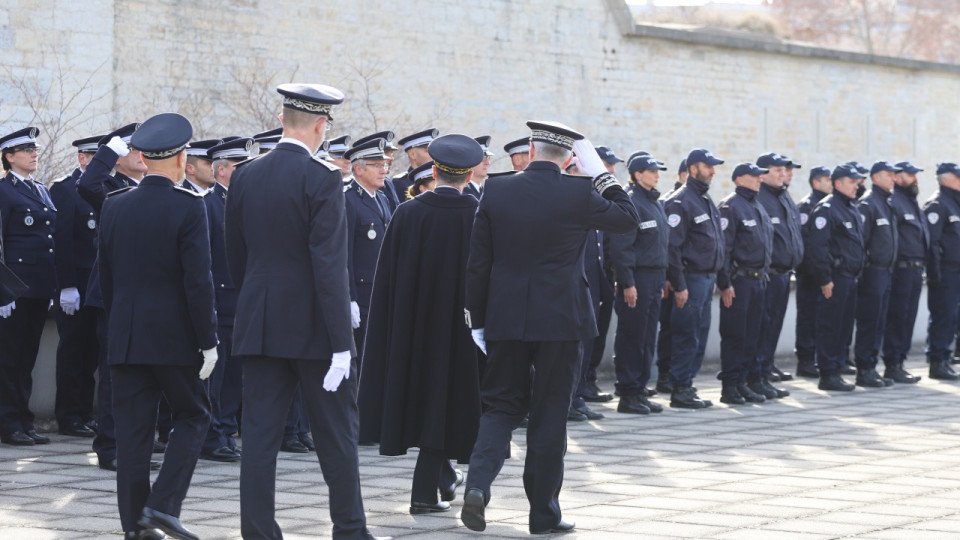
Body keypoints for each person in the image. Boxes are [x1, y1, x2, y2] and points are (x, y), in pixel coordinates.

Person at [460, 120, 638, 535]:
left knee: (501, 406)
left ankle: (478, 486)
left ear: (534, 149)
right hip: (561, 320)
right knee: (549, 414)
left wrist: (477, 319)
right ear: (570, 157)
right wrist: (601, 175)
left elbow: (478, 262)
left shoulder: (498, 188)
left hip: (506, 317)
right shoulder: (580, 193)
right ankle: (543, 514)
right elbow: (628, 219)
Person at [225, 83, 378, 540]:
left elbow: (237, 255)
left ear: (280, 118)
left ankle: (258, 531)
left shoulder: (246, 174)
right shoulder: (323, 177)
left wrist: (257, 299)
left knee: (258, 439)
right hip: (313, 329)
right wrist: (341, 345)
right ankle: (349, 529)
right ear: (319, 125)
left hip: (260, 320)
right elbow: (329, 266)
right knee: (336, 435)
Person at [99, 112, 218, 540]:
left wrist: (119, 331)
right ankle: (164, 506)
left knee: (132, 438)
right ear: (183, 158)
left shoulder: (115, 206)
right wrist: (208, 342)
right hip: (174, 340)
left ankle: (136, 527)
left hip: (126, 339)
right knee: (194, 415)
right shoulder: (189, 207)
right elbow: (198, 283)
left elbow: (106, 280)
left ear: (145, 159)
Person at [358, 134, 484, 515]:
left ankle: (436, 483)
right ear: (468, 176)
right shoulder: (477, 213)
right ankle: (428, 490)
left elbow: (388, 278)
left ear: (433, 170)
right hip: (463, 329)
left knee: (427, 401)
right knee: (452, 402)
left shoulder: (407, 213)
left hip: (414, 329)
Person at [77, 122, 151, 470]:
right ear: (119, 159)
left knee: (143, 376)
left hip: (148, 296)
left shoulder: (151, 189)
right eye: (133, 150)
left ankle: (135, 446)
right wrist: (109, 149)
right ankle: (110, 447)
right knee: (113, 375)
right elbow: (87, 184)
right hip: (115, 295)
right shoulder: (111, 189)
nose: (141, 156)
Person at [0, 127, 57, 447]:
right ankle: (9, 423)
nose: (34, 154)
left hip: (37, 288)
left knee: (26, 359)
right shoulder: (3, 191)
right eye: (26, 150)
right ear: (9, 157)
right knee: (9, 359)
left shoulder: (39, 189)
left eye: (34, 149)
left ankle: (24, 419)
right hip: (13, 290)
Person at [662, 148, 725, 409]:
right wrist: (680, 285)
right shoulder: (681, 201)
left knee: (698, 335)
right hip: (690, 279)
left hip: (706, 280)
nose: (713, 171)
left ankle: (687, 383)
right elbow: (672, 248)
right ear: (693, 168)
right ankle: (679, 389)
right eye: (708, 166)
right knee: (686, 335)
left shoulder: (705, 199)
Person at [50, 134, 103, 438]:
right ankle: (68, 416)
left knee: (91, 353)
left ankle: (85, 412)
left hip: (96, 282)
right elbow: (61, 240)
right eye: (96, 158)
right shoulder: (65, 189)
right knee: (73, 351)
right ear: (83, 159)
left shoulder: (103, 189)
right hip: (76, 283)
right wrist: (67, 285)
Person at [609, 155, 669, 414]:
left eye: (657, 171)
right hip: (637, 279)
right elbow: (622, 247)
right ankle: (628, 393)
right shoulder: (631, 201)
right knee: (632, 335)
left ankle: (640, 389)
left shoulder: (653, 202)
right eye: (651, 171)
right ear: (636, 174)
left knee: (646, 337)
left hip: (654, 278)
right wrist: (627, 283)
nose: (656, 175)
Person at [716, 163, 773, 405]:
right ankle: (730, 386)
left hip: (758, 280)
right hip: (739, 282)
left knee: (752, 336)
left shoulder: (756, 205)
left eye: (761, 176)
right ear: (739, 179)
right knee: (735, 336)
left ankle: (743, 382)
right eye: (754, 176)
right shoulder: (731, 206)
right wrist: (725, 283)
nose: (760, 179)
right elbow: (724, 249)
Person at [807, 164, 866, 391]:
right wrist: (824, 279)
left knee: (843, 327)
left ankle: (837, 368)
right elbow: (817, 248)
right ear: (838, 183)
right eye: (852, 182)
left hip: (850, 277)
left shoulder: (850, 208)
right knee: (830, 326)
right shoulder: (827, 208)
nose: (856, 186)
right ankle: (828, 374)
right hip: (835, 278)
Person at [753, 152, 801, 398]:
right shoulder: (759, 199)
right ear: (762, 173)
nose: (784, 174)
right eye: (778, 171)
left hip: (783, 274)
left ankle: (765, 373)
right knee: (762, 328)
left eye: (785, 170)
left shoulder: (783, 197)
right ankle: (757, 376)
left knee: (773, 328)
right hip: (767, 275)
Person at [343, 138, 394, 362]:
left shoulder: (381, 198)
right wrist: (350, 297)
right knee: (361, 359)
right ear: (358, 168)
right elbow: (344, 254)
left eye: (385, 165)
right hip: (361, 296)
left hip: (381, 293)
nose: (384, 170)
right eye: (377, 165)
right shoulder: (348, 199)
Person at [852, 161, 901, 387]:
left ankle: (872, 367)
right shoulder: (868, 204)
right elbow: (861, 241)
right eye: (889, 175)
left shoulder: (886, 202)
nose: (893, 179)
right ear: (876, 177)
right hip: (872, 273)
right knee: (869, 321)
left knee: (880, 321)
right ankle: (864, 369)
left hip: (886, 271)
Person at [880, 161, 927, 383]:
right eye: (910, 175)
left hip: (915, 270)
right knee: (897, 318)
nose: (915, 179)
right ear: (897, 178)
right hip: (900, 270)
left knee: (908, 318)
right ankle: (892, 364)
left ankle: (900, 361)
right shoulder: (894, 202)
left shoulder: (912, 202)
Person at [794, 166, 833, 378]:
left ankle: (820, 358)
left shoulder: (830, 205)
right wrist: (816, 273)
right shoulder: (807, 207)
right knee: (808, 318)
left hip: (823, 273)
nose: (831, 183)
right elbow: (807, 245)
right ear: (816, 182)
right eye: (827, 179)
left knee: (823, 319)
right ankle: (806, 360)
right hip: (809, 275)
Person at [923, 162, 960, 381]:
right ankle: (937, 362)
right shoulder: (937, 204)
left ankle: (946, 358)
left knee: (953, 317)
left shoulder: (955, 204)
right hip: (945, 271)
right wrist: (935, 272)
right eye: (957, 177)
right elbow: (932, 243)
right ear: (944, 179)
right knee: (943, 315)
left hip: (956, 270)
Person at [655, 157, 687, 394]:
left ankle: (678, 376)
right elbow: (668, 245)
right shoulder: (671, 201)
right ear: (683, 175)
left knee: (685, 331)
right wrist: (668, 277)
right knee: (670, 329)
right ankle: (665, 375)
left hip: (689, 277)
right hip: (673, 278)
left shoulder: (698, 200)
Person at [393, 128, 438, 201]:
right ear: (412, 154)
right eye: (428, 151)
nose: (433, 154)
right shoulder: (399, 183)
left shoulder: (441, 178)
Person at [462, 135, 492, 199]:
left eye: (488, 158)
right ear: (469, 161)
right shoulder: (463, 192)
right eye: (483, 158)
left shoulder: (482, 191)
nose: (488, 163)